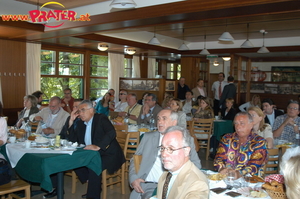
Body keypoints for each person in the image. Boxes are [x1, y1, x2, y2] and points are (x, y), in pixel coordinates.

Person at [129, 109, 201, 199]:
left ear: (174, 122)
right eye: (158, 119)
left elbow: (196, 164)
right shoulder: (148, 137)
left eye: (164, 118)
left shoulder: (185, 139)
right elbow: (134, 159)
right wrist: (133, 178)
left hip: (175, 186)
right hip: (150, 185)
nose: (160, 122)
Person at [68, 100, 125, 199]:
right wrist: (71, 122)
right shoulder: (81, 123)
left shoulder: (100, 118)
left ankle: (93, 195)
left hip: (108, 153)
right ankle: (94, 184)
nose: (80, 113)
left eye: (82, 110)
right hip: (91, 154)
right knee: (75, 161)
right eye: (79, 111)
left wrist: (98, 146)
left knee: (94, 166)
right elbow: (73, 140)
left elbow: (111, 132)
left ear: (91, 110)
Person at [156, 126, 209, 199]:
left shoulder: (197, 184)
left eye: (171, 149)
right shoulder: (167, 174)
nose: (164, 154)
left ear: (186, 151)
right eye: (162, 148)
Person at [214, 112, 268, 178]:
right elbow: (219, 158)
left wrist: (238, 173)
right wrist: (221, 168)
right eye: (236, 123)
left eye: (242, 123)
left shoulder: (259, 142)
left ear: (251, 125)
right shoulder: (227, 138)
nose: (238, 127)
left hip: (250, 182)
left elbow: (254, 165)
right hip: (227, 178)